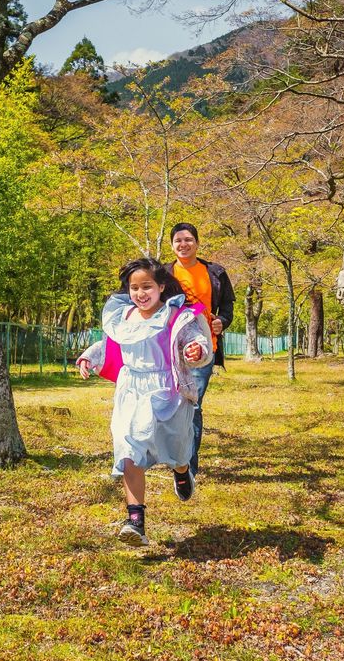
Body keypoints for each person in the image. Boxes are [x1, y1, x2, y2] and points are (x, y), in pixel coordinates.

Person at [76, 258, 214, 547]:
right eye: (134, 287)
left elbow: (197, 342)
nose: (140, 293)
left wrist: (195, 351)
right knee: (129, 447)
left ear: (161, 287)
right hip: (131, 390)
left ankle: (182, 470)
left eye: (147, 286)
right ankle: (135, 520)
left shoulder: (175, 315)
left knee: (175, 447)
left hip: (168, 390)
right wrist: (91, 355)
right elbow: (112, 344)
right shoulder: (124, 317)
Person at [163, 223, 236, 477]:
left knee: (192, 405)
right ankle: (172, 455)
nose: (183, 244)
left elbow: (227, 306)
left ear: (197, 242)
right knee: (170, 403)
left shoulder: (215, 272)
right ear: (171, 245)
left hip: (203, 349)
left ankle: (187, 468)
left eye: (188, 239)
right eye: (178, 240)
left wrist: (222, 322)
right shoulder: (163, 273)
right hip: (168, 350)